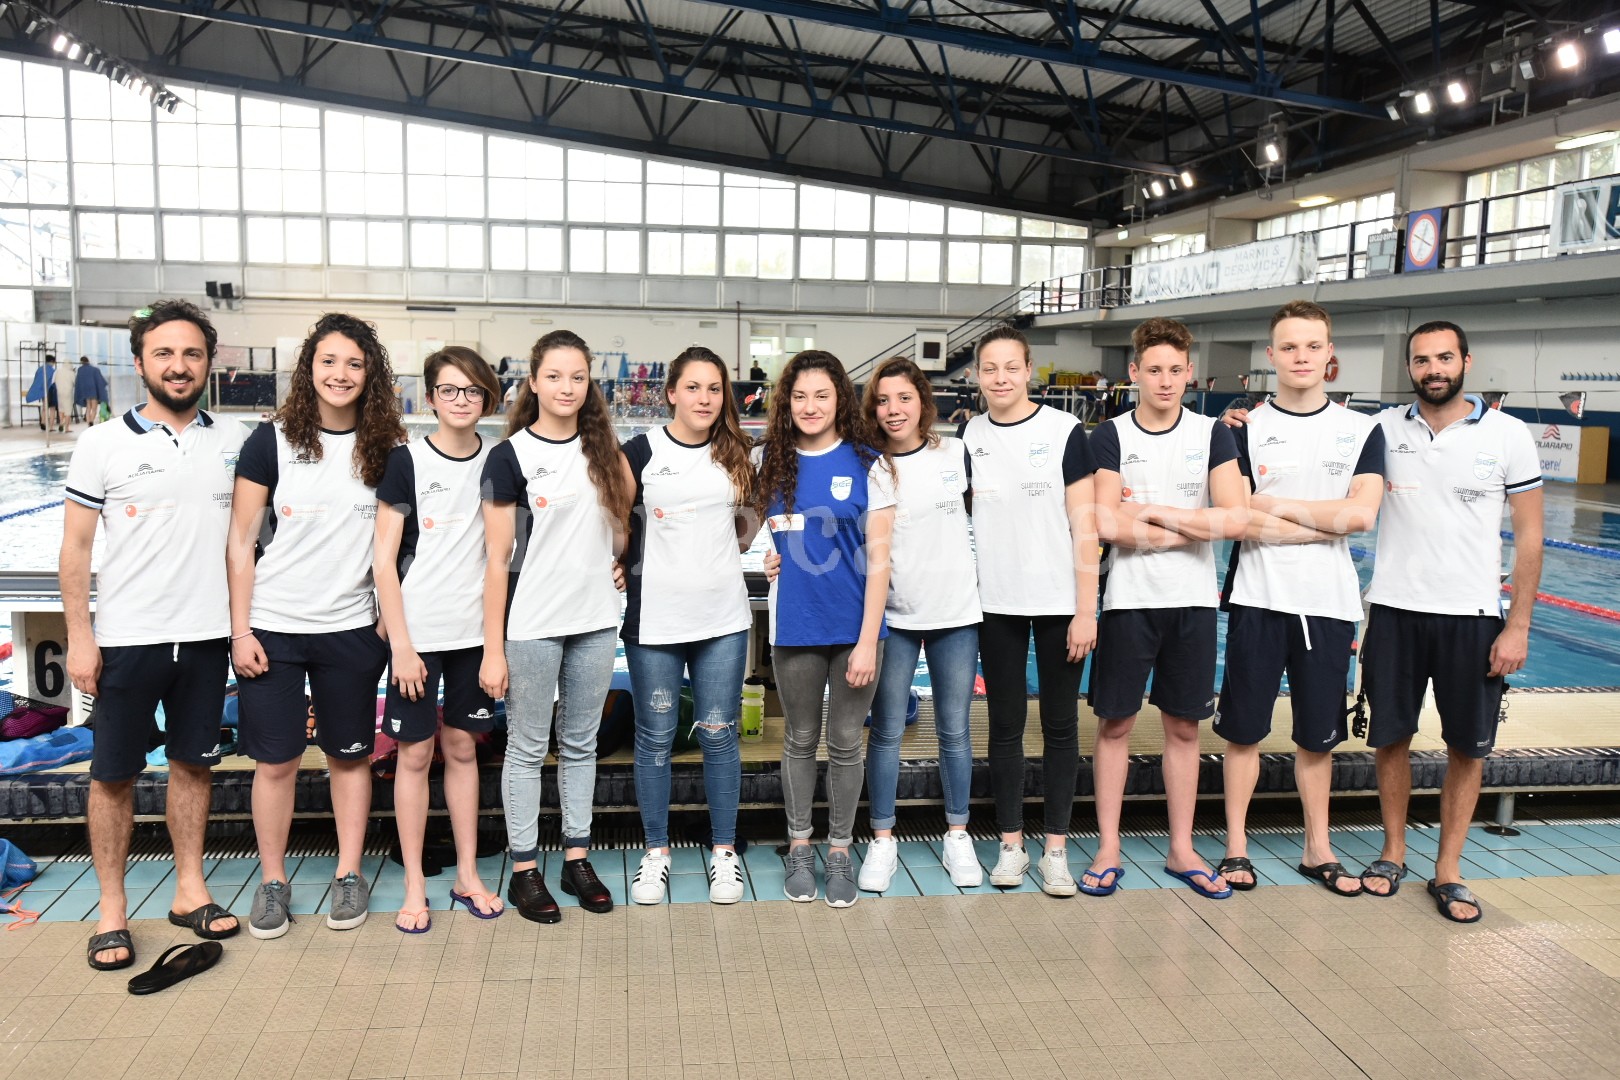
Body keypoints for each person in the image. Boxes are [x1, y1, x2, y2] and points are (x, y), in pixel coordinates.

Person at [61, 300, 246, 970]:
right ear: (140, 363)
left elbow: (251, 542)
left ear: (208, 364)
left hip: (205, 637)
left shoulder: (233, 441)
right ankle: (111, 911)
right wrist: (81, 638)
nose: (178, 365)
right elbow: (76, 551)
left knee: (193, 765)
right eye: (164, 354)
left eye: (191, 353)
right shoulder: (102, 443)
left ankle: (188, 890)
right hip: (128, 639)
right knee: (113, 774)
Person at [228, 313, 405, 938]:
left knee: (348, 758)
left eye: (354, 363)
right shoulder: (269, 441)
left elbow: (401, 547)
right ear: (309, 368)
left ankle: (348, 874)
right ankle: (273, 881)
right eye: (328, 361)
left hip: (351, 630)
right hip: (274, 627)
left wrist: (386, 622)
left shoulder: (386, 448)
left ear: (370, 374)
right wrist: (240, 629)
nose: (340, 373)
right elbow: (240, 543)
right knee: (274, 762)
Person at [1360, 321, 1541, 922]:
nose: (1432, 369)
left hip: (1472, 616)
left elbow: (1533, 538)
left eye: (1444, 358)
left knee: (1467, 746)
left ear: (1466, 360)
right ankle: (1392, 852)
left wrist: (1516, 625)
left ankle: (1449, 869)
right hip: (1394, 608)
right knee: (1391, 737)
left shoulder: (1510, 434)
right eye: (1420, 360)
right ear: (1409, 367)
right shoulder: (1383, 429)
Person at [1213, 301, 1384, 896]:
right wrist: (1325, 521)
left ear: (1329, 352)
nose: (1302, 357)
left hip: (1329, 604)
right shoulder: (1239, 429)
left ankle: (1319, 847)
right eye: (1289, 347)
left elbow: (1362, 515)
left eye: (1313, 346)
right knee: (1243, 733)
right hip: (1258, 598)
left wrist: (1275, 505)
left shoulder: (1362, 430)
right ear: (1271, 356)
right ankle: (1236, 846)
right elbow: (1237, 517)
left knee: (1319, 736)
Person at [1088, 317, 1245, 900]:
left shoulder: (1211, 435)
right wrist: (1192, 525)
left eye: (1175, 370)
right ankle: (1108, 845)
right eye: (1153, 370)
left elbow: (1234, 518)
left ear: (1189, 372)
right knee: (1116, 726)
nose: (1165, 381)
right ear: (1134, 372)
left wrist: (1150, 516)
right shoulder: (1110, 436)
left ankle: (1182, 848)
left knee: (1183, 728)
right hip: (1129, 601)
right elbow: (1103, 522)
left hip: (1194, 605)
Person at [481, 329, 631, 922]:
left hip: (596, 619)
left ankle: (576, 857)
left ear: (588, 383)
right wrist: (494, 649)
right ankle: (524, 868)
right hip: (534, 622)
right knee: (525, 748)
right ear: (534, 382)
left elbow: (621, 530)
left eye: (577, 377)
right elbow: (496, 560)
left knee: (580, 744)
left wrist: (620, 562)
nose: (567, 387)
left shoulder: (605, 453)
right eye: (554, 376)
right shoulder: (509, 456)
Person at [960, 324, 1098, 896]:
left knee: (1061, 726)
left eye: (1010, 367)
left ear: (1028, 369)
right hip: (996, 603)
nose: (1000, 378)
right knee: (1005, 726)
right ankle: (1012, 844)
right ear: (976, 376)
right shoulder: (968, 435)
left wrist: (1085, 610)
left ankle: (1057, 849)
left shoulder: (1066, 430)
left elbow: (1086, 527)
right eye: (989, 369)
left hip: (1059, 602)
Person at [373, 346, 505, 932]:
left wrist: (496, 645)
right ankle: (412, 883)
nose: (461, 401)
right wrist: (401, 644)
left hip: (473, 634)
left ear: (486, 399)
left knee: (461, 749)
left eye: (472, 391)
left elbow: (504, 555)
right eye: (450, 390)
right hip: (418, 635)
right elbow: (382, 559)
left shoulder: (498, 463)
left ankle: (468, 875)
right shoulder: (405, 461)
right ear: (430, 397)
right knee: (415, 753)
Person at [756, 350, 893, 907]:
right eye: (799, 396)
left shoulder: (869, 461)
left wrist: (868, 640)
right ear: (787, 403)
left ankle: (840, 848)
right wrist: (772, 557)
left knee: (844, 743)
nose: (810, 406)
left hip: (855, 629)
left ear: (840, 400)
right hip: (796, 623)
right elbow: (768, 534)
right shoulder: (774, 460)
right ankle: (799, 844)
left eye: (821, 395)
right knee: (798, 738)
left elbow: (881, 560)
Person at [621, 346, 756, 906]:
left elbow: (748, 523)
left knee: (721, 735)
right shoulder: (642, 450)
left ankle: (724, 853)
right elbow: (614, 520)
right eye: (693, 387)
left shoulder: (735, 453)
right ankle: (656, 854)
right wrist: (617, 557)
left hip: (723, 617)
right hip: (655, 618)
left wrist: (743, 553)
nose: (704, 398)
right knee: (654, 739)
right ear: (671, 392)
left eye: (714, 389)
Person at [858, 357, 983, 891]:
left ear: (922, 403)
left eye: (903, 399)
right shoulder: (873, 467)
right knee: (885, 731)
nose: (893, 410)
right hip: (897, 617)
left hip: (956, 612)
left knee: (954, 730)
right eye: (883, 401)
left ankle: (958, 834)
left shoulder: (955, 452)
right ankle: (882, 839)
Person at [75, 356, 110, 427]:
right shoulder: (95, 369)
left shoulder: (80, 370)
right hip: (94, 391)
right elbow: (100, 381)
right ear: (88, 360)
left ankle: (88, 422)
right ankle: (91, 421)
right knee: (94, 408)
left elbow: (78, 382)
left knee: (88, 408)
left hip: (86, 392)